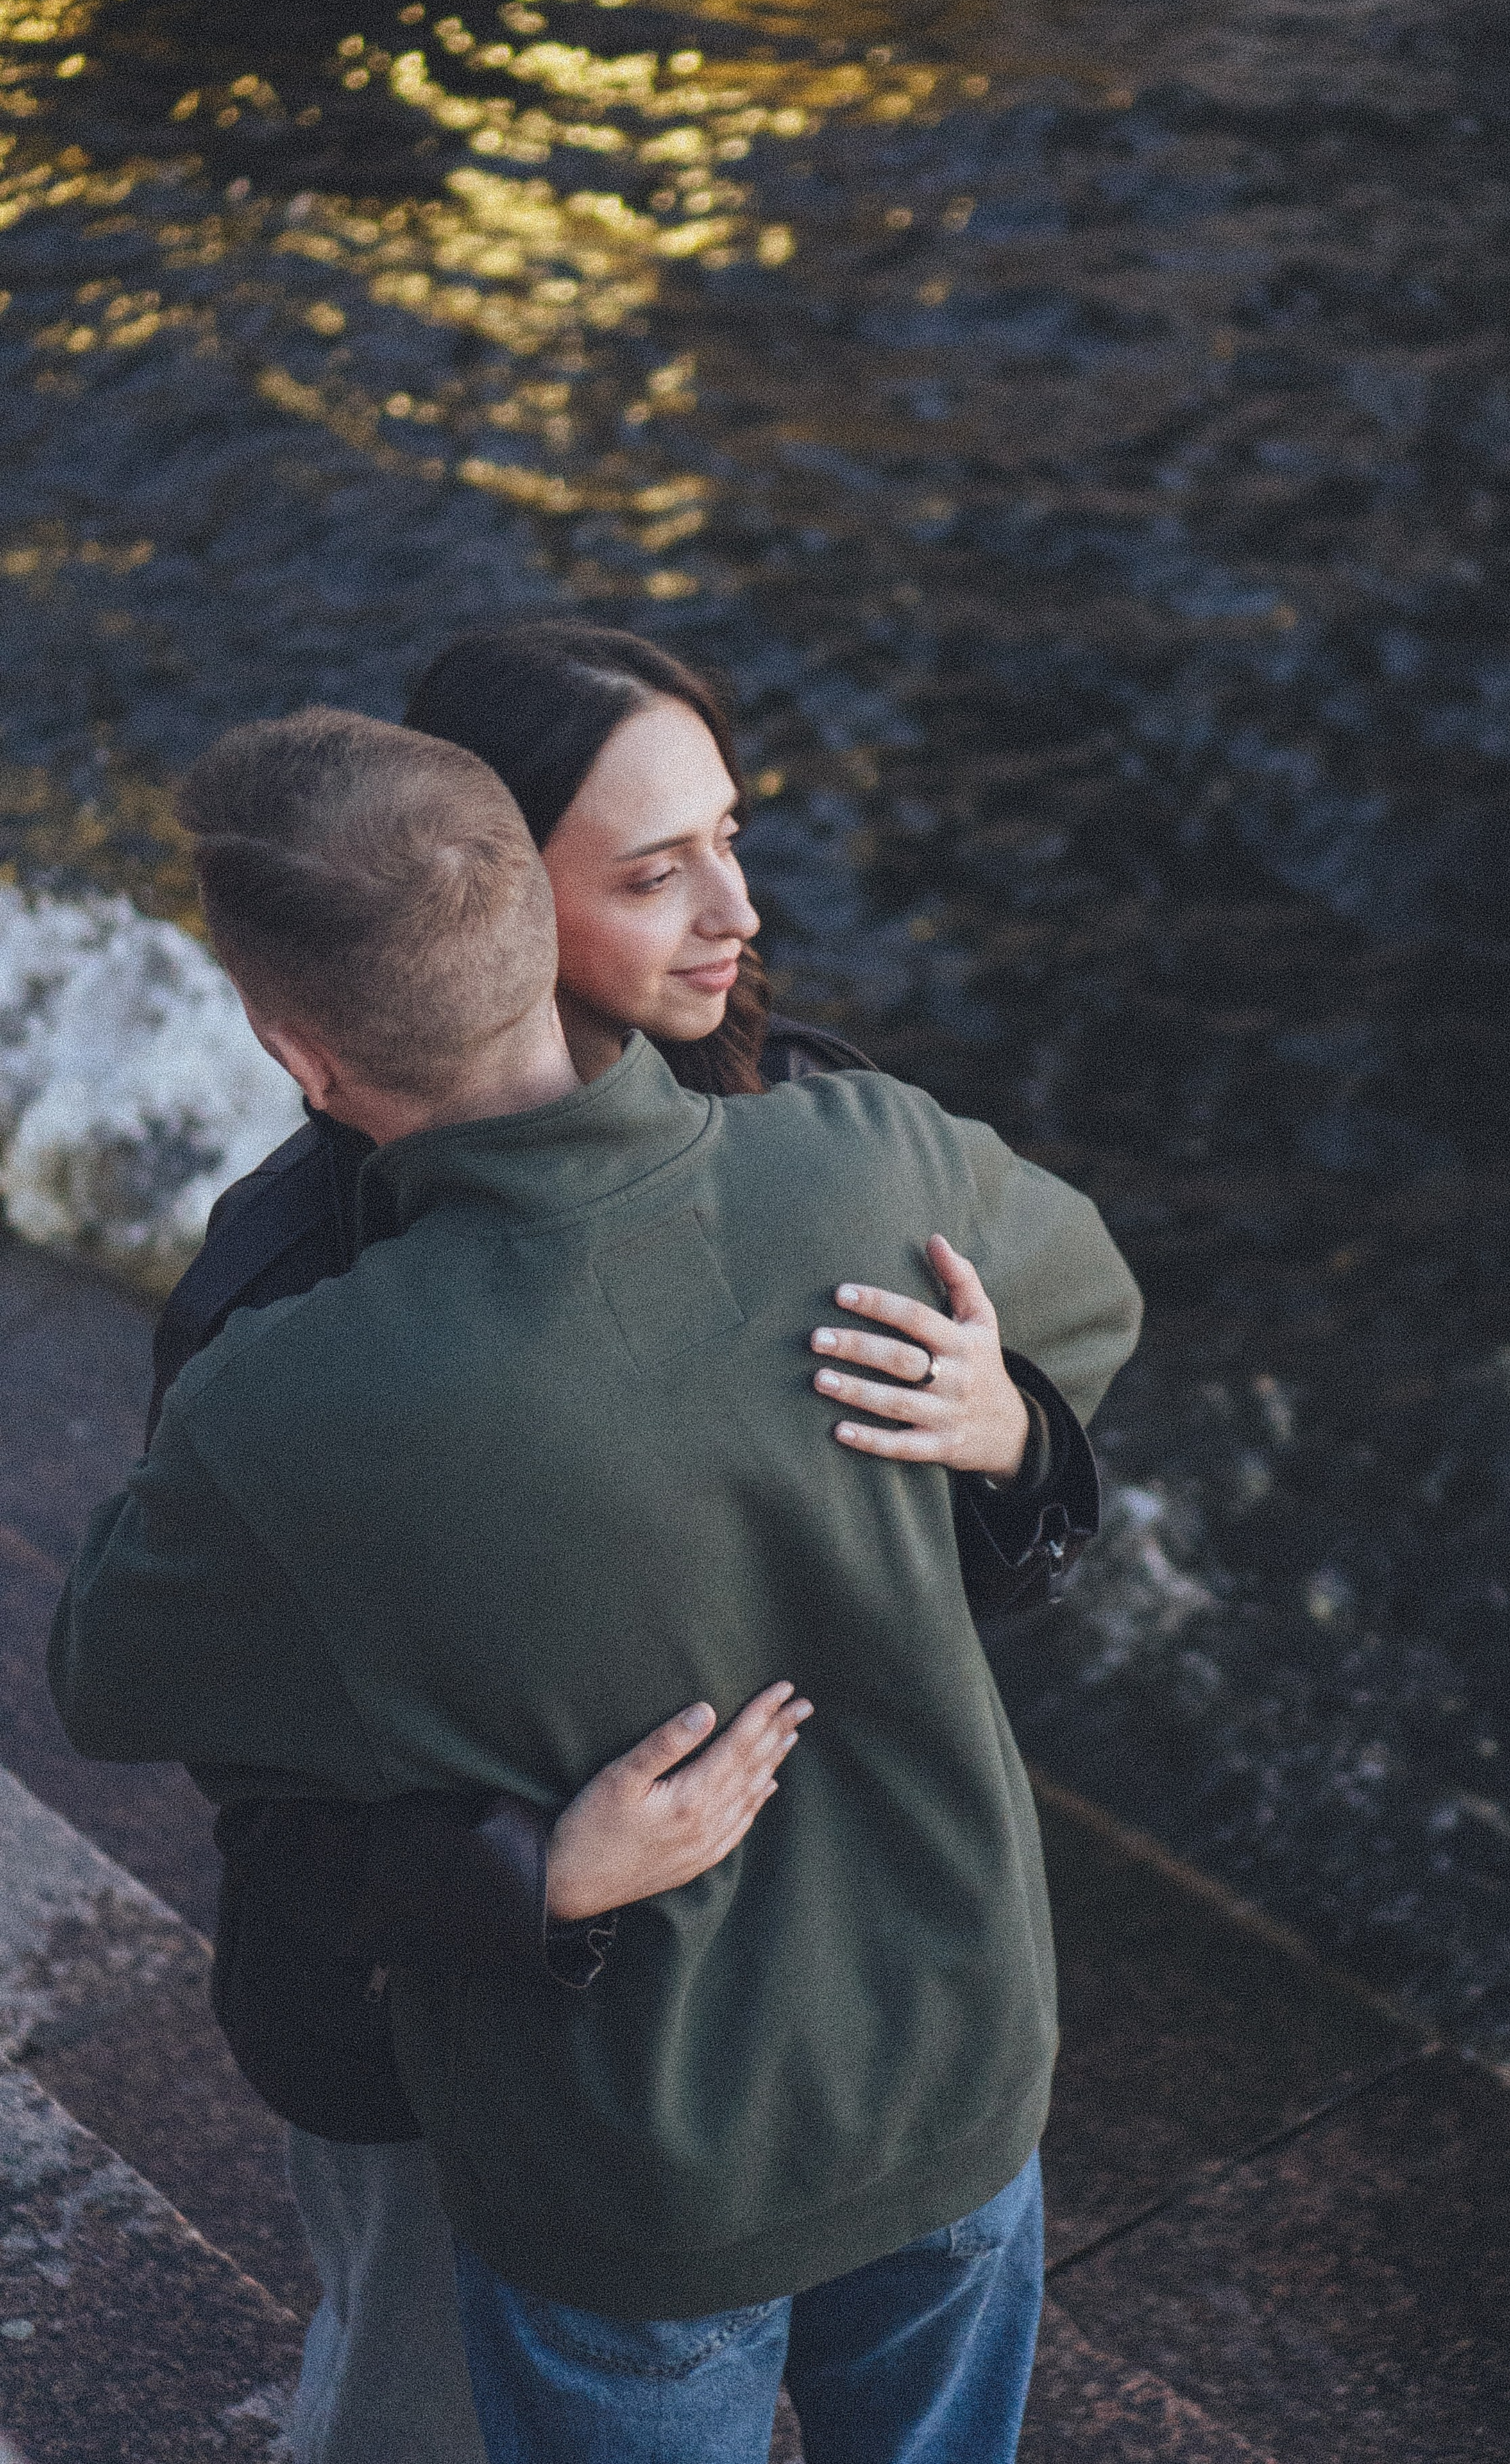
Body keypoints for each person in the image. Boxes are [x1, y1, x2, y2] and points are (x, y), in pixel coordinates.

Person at [51, 705, 1140, 2464]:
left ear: (294, 1052)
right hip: (956, 2072)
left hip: (639, 2169)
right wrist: (996, 1412)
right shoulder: (871, 1159)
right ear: (542, 938)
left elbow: (114, 1675)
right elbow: (1091, 1302)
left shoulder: (286, 1396)